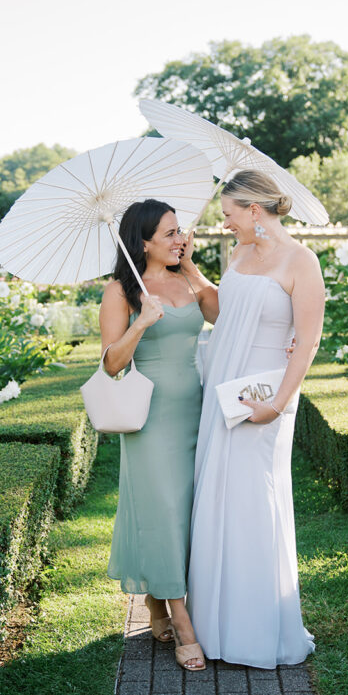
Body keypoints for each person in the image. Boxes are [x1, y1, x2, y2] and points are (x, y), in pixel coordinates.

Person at [188, 170, 325, 669]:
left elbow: (307, 341)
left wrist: (279, 402)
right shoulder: (239, 256)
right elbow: (227, 315)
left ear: (253, 210)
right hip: (224, 388)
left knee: (254, 498)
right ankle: (212, 625)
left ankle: (256, 627)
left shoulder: (301, 261)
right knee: (217, 493)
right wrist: (190, 273)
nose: (223, 225)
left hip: (266, 398)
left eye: (227, 215)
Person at [100, 199, 218, 670]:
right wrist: (141, 323)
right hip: (149, 417)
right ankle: (182, 621)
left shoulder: (186, 276)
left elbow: (219, 314)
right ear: (142, 242)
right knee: (164, 510)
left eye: (180, 231)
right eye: (169, 234)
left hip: (196, 407)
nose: (179, 238)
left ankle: (155, 600)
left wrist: (191, 266)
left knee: (188, 509)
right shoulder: (119, 291)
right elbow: (111, 363)